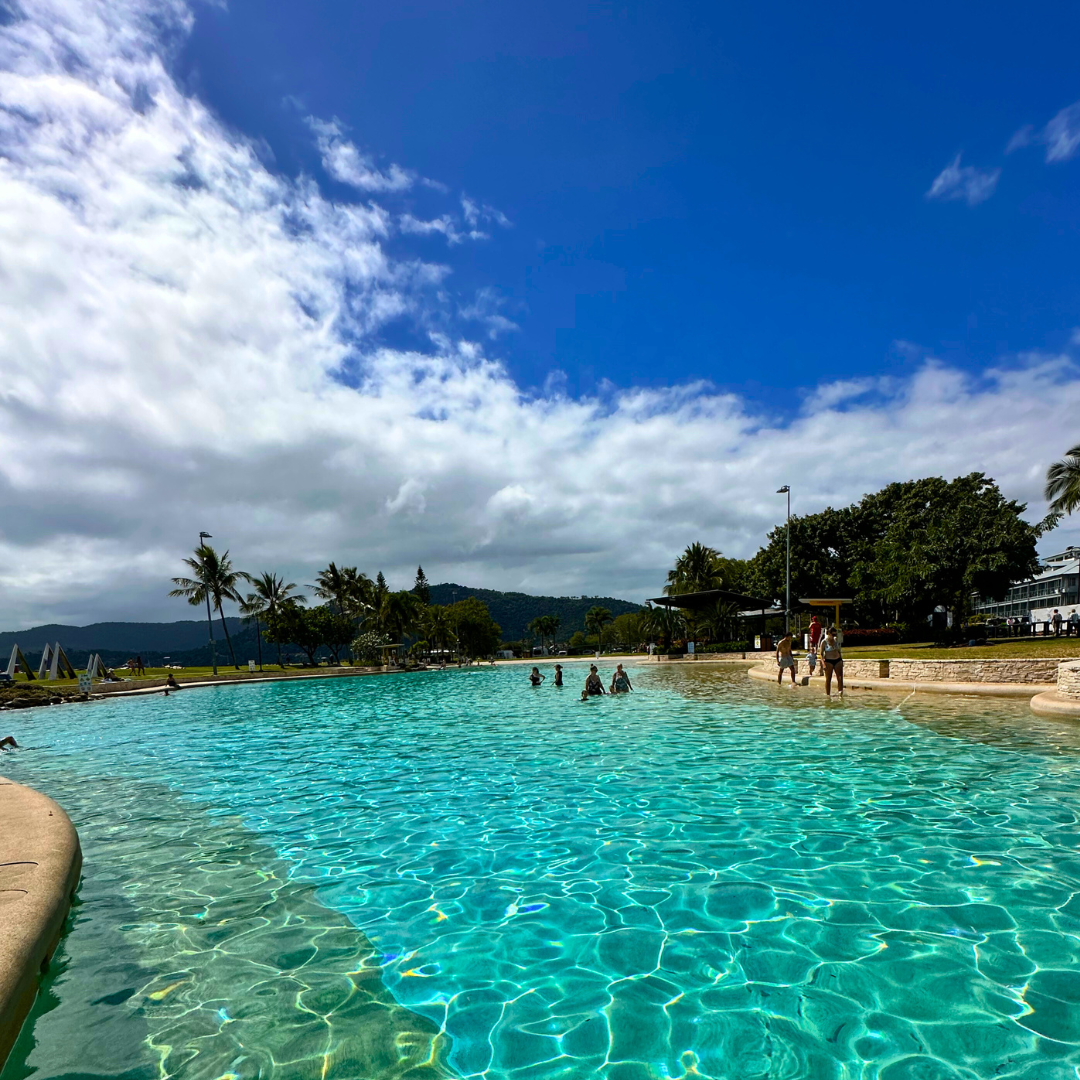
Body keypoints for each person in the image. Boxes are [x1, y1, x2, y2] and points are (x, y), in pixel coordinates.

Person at [820, 626, 844, 696]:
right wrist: (823, 664)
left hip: (837, 660)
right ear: (829, 634)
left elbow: (839, 651)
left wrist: (841, 660)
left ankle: (840, 693)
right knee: (828, 679)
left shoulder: (836, 641)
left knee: (839, 677)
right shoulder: (824, 642)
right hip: (828, 661)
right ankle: (828, 694)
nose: (834, 636)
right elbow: (821, 654)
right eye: (833, 635)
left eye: (835, 635)